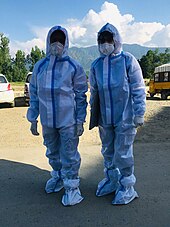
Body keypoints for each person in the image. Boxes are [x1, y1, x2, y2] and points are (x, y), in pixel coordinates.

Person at [27, 25, 88, 206]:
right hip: (48, 121)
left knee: (69, 154)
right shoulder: (40, 66)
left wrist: (79, 120)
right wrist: (33, 118)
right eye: (54, 40)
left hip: (67, 121)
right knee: (52, 152)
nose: (57, 44)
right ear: (48, 41)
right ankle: (59, 177)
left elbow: (80, 96)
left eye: (60, 40)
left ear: (66, 42)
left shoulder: (73, 67)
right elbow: (35, 94)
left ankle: (72, 187)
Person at [89, 23, 146, 205]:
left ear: (116, 40)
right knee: (108, 151)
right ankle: (112, 180)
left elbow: (138, 88)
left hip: (125, 118)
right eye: (101, 40)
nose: (105, 44)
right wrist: (94, 114)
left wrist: (139, 112)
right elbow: (95, 92)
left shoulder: (127, 60)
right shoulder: (96, 65)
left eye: (108, 39)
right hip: (105, 119)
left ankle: (127, 186)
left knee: (123, 153)